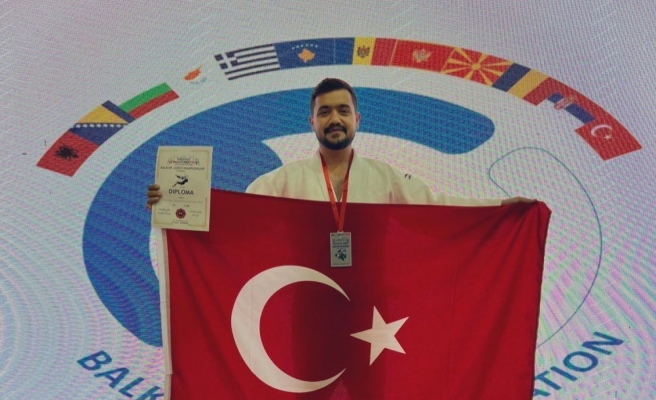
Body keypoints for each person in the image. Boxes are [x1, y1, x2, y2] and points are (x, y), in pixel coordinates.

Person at [147, 78, 532, 207]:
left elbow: (440, 208)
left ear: (357, 119)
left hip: (373, 308)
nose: (335, 119)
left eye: (343, 111)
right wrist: (175, 203)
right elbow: (236, 221)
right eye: (325, 112)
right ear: (311, 122)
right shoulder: (280, 182)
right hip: (304, 304)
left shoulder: (386, 179)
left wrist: (499, 208)